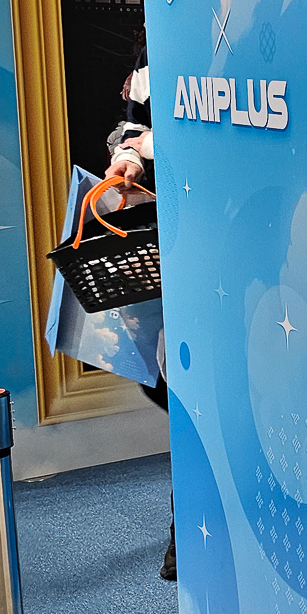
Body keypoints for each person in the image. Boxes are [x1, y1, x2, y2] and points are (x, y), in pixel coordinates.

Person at [103, 33, 174, 577]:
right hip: (180, 235)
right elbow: (130, 127)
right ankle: (190, 524)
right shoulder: (161, 40)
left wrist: (148, 144)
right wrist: (129, 157)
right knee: (170, 385)